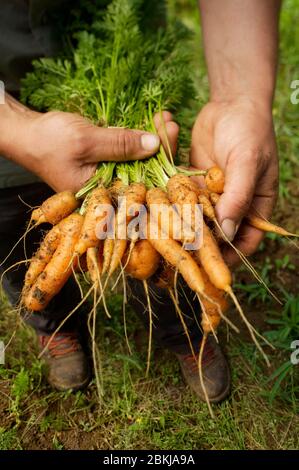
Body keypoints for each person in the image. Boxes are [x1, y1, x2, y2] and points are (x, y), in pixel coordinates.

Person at [0, 0, 280, 403]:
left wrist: (241, 98)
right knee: (17, 224)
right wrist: (14, 127)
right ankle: (53, 323)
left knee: (168, 254)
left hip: (127, 39)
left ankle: (185, 331)